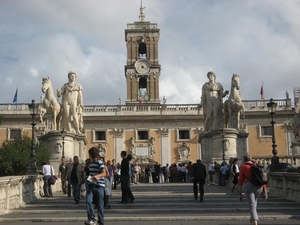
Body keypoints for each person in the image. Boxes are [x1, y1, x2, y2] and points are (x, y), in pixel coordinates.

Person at [238, 153, 268, 225]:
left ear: (244, 160)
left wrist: (240, 193)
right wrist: (265, 192)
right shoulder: (256, 166)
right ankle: (253, 217)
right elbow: (262, 180)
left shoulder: (243, 167)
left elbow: (240, 181)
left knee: (252, 205)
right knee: (254, 202)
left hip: (249, 187)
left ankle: (255, 221)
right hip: (259, 187)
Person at [85, 147, 106, 225]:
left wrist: (97, 176)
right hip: (91, 185)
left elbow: (104, 173)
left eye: (89, 154)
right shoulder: (91, 163)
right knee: (88, 201)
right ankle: (92, 219)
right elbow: (92, 174)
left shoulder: (99, 162)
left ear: (91, 154)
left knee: (100, 204)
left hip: (99, 186)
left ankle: (101, 220)